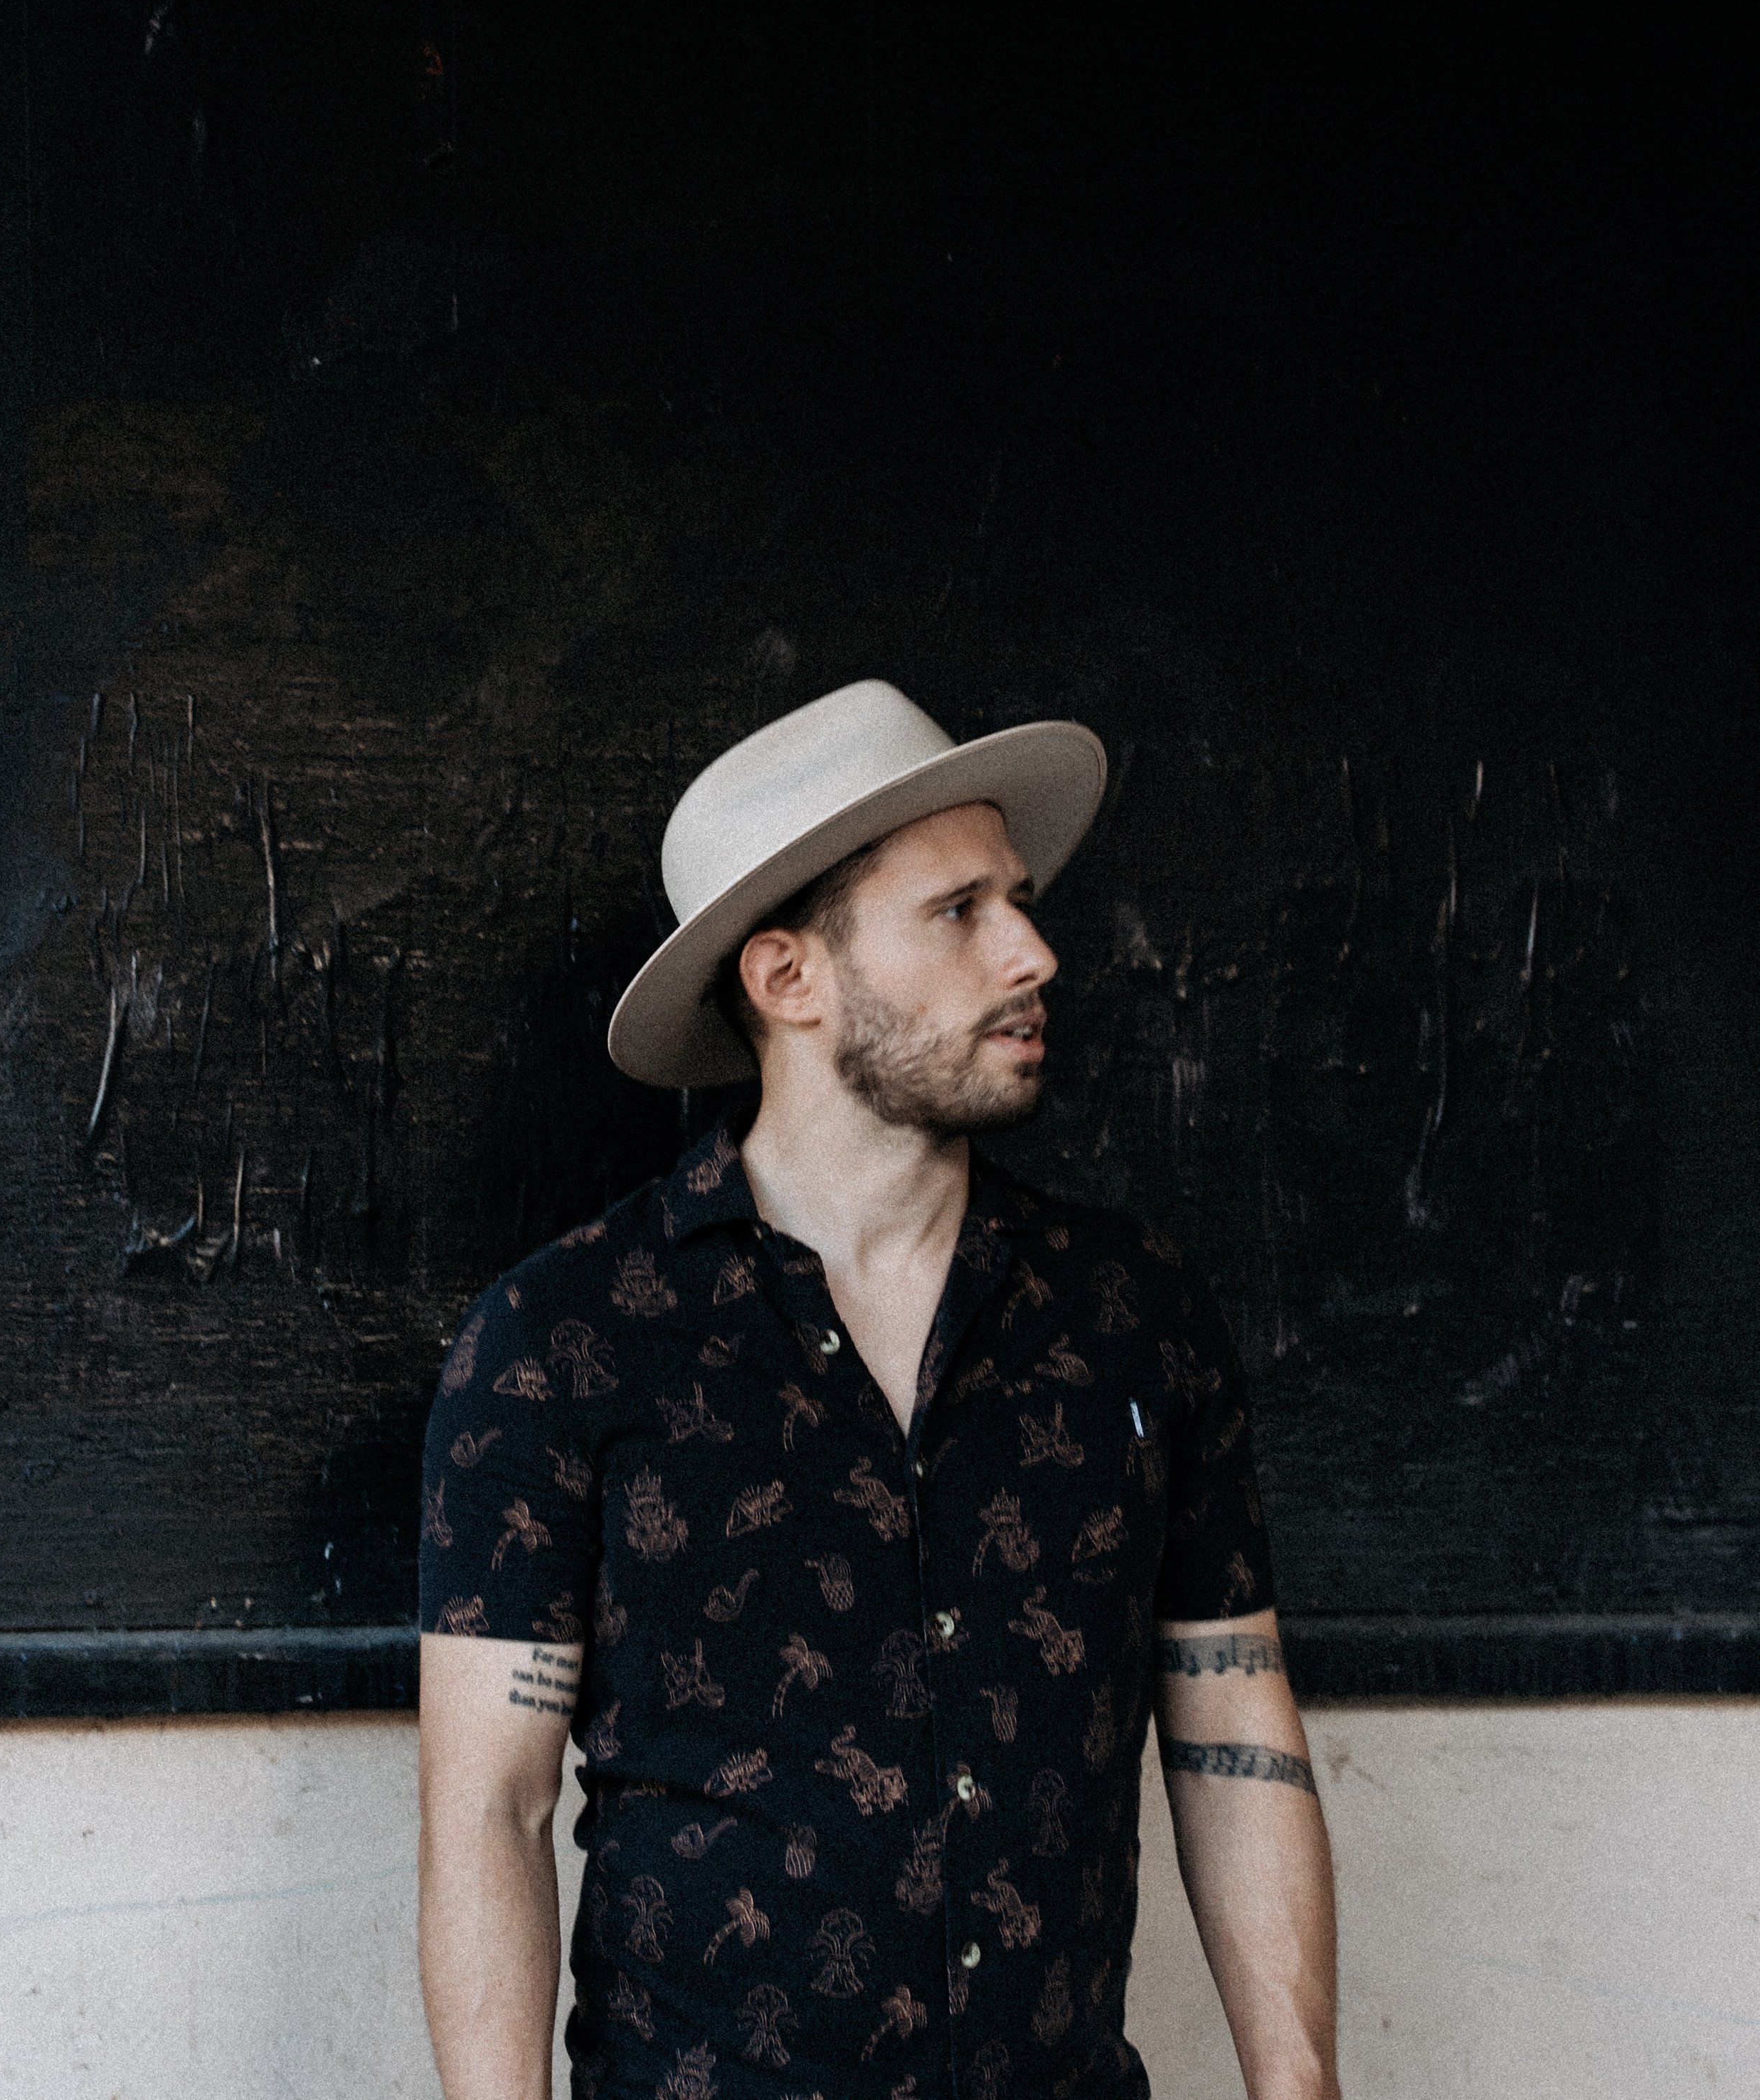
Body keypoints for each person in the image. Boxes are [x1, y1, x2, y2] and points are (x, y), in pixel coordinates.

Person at [417, 679, 1341, 2100]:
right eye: (958, 911)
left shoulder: (1131, 1316)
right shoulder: (563, 1339)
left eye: (1017, 901)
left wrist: (1301, 2088)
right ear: (788, 979)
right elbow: (491, 1806)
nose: (1032, 952)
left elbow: (1232, 1728)